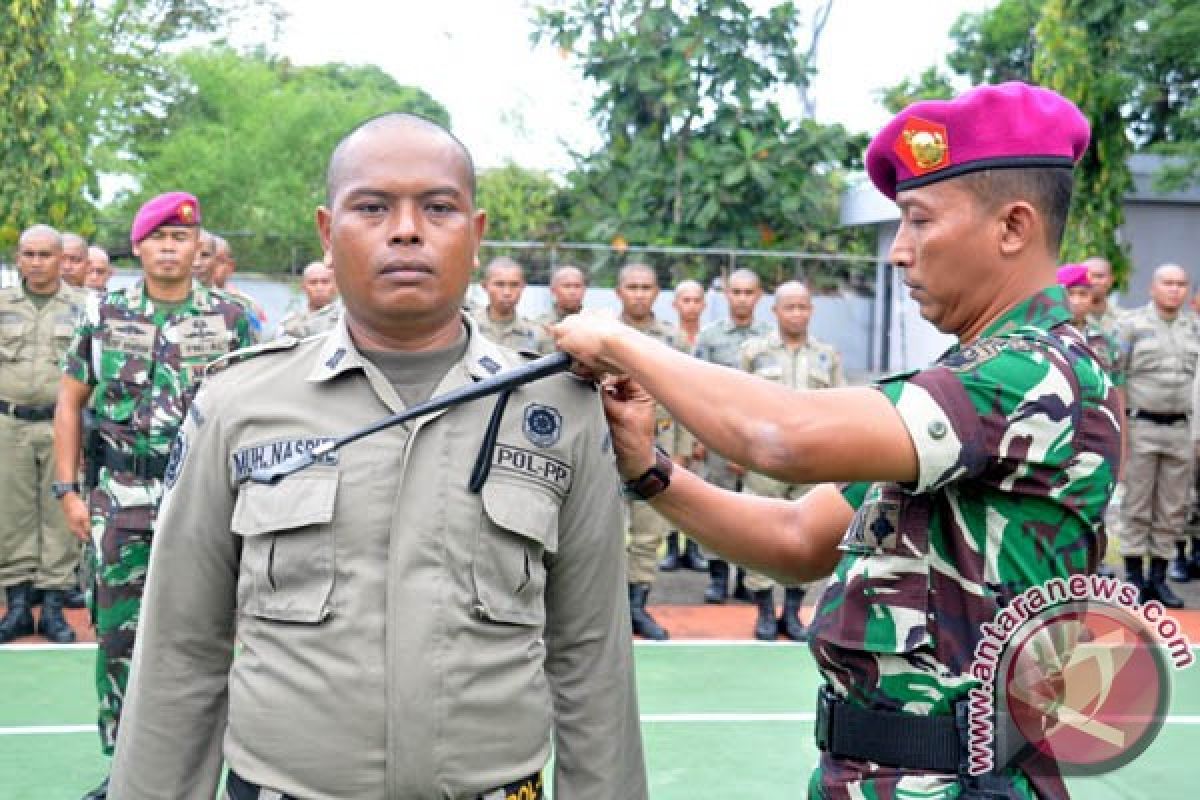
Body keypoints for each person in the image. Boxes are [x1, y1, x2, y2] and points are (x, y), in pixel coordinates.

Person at [552, 82, 1117, 799]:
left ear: (1012, 227)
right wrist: (649, 468)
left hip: (962, 781)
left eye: (918, 222)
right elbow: (796, 537)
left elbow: (781, 437)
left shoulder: (1034, 372)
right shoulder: (963, 384)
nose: (899, 253)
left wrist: (620, 343)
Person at [109, 113, 646, 800]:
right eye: (371, 207)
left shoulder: (559, 411)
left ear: (475, 236)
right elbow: (181, 649)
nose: (406, 229)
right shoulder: (238, 404)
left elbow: (591, 655)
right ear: (329, 235)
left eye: (438, 207)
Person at [53, 192, 256, 800]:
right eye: (158, 238)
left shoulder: (234, 319)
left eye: (181, 238)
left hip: (205, 499)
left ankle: (209, 773)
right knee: (118, 641)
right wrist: (68, 491)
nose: (170, 248)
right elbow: (69, 402)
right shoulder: (105, 313)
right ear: (138, 247)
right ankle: (124, 771)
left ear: (200, 249)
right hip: (120, 499)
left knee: (211, 636)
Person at [737, 281, 844, 641]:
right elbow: (739, 405)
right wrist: (738, 451)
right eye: (789, 307)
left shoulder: (826, 355)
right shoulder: (753, 352)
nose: (797, 313)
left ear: (811, 310)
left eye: (803, 307)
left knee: (811, 535)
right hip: (765, 459)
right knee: (758, 532)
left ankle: (793, 613)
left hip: (812, 461)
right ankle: (765, 612)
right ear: (775, 311)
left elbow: (839, 407)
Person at [0, 225, 88, 644]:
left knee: (59, 513)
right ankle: (18, 604)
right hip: (8, 422)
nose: (36, 262)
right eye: (28, 254)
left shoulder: (85, 307)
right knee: (11, 514)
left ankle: (53, 606)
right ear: (19, 258)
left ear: (60, 258)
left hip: (61, 424)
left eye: (45, 255)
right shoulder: (2, 303)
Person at [612, 262, 689, 640]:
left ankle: (636, 608)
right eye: (632, 287)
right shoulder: (601, 336)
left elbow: (687, 399)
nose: (639, 294)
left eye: (646, 287)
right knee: (600, 534)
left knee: (648, 536)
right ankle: (605, 613)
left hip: (656, 449)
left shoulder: (673, 339)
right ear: (618, 291)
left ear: (657, 292)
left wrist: (685, 450)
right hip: (603, 451)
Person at [1117, 263, 1198, 605]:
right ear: (1152, 287)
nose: (1174, 289)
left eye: (1181, 284)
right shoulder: (1130, 326)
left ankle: (1159, 579)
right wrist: (1119, 435)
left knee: (1173, 508)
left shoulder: (1195, 329)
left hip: (1181, 429)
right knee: (1136, 504)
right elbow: (1117, 380)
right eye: (1167, 283)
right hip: (1140, 428)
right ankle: (1134, 579)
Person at [691, 268, 769, 603]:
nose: (741, 298)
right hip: (718, 435)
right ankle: (717, 578)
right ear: (726, 295)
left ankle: (746, 579)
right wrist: (698, 436)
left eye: (747, 292)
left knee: (754, 511)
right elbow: (695, 387)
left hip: (760, 439)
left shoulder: (770, 338)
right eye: (735, 292)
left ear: (759, 295)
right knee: (717, 508)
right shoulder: (709, 338)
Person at [1058, 263, 1126, 579]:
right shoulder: (1045, 336)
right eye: (1071, 293)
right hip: (1059, 437)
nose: (1078, 300)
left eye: (1084, 293)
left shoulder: (1103, 342)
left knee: (1094, 508)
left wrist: (1122, 445)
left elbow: (1118, 393)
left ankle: (1091, 570)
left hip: (1096, 438)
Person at [658, 279, 707, 572]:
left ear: (703, 304)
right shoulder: (667, 338)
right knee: (672, 484)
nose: (690, 306)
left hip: (703, 423)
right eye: (684, 300)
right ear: (675, 304)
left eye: (695, 300)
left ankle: (695, 548)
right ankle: (673, 548)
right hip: (669, 422)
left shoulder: (710, 338)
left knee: (699, 486)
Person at [470, 256, 541, 351]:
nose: (507, 292)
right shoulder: (467, 326)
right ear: (484, 286)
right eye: (499, 284)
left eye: (514, 285)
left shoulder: (536, 333)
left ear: (523, 287)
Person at [211, 234, 267, 338]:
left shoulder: (246, 305)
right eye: (204, 257)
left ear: (230, 266)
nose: (210, 265)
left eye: (218, 261)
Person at [279, 260, 341, 338]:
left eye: (325, 282)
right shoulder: (289, 323)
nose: (319, 288)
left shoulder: (346, 320)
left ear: (335, 287)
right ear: (303, 287)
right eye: (313, 282)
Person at [534, 264, 587, 354]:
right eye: (567, 286)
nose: (572, 292)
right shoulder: (539, 326)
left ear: (584, 290)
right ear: (553, 290)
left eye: (577, 286)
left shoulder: (592, 324)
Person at [1085, 255, 1122, 338]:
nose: (1094, 281)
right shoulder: (1068, 319)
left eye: (1100, 276)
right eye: (1089, 276)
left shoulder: (1125, 319)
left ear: (1111, 280)